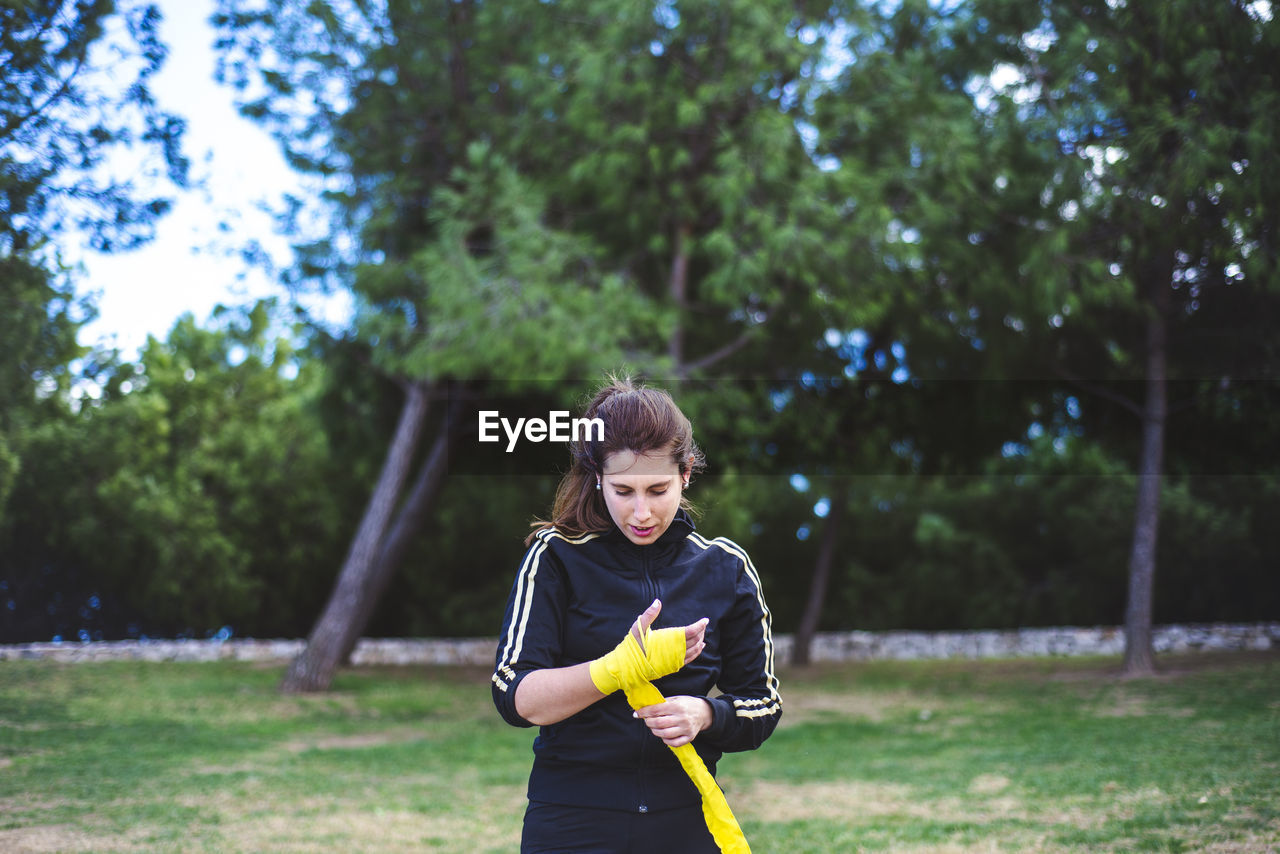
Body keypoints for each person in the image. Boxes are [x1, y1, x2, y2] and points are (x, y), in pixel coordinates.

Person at [491, 375, 782, 853]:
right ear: (597, 477)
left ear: (686, 473)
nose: (641, 512)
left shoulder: (726, 568)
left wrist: (707, 713)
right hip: (571, 822)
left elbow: (761, 703)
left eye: (658, 489)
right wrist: (618, 668)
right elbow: (516, 697)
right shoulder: (557, 557)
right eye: (623, 491)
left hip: (686, 822)